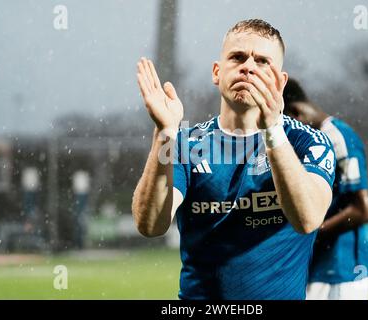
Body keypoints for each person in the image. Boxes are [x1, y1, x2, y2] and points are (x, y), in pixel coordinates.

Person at [132, 19, 336, 300]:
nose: (249, 67)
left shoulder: (309, 142)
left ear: (280, 81)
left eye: (263, 61)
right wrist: (165, 133)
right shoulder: (187, 145)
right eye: (237, 57)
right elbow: (151, 224)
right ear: (217, 72)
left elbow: (307, 219)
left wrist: (272, 131)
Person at [283, 78, 368, 300]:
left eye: (285, 123)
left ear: (296, 113)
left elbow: (362, 209)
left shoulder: (338, 137)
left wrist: (311, 230)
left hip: (341, 270)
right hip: (314, 268)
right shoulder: (309, 144)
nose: (287, 132)